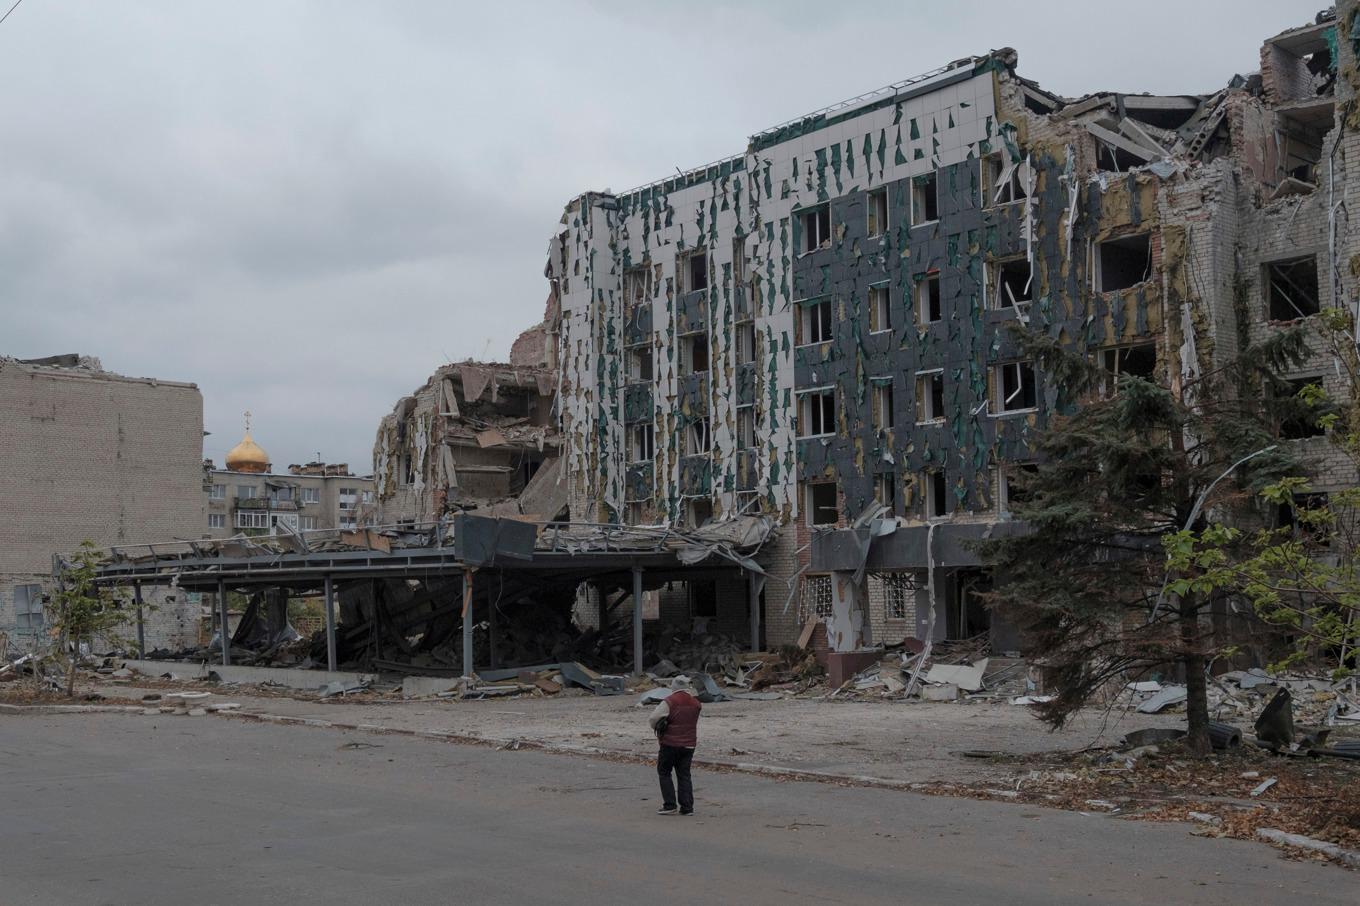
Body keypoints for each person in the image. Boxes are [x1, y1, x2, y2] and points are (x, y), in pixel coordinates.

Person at [648, 675, 702, 815]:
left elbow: (653, 718)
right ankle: (687, 807)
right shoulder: (696, 703)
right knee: (684, 775)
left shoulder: (670, 701)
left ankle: (670, 805)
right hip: (689, 744)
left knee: (664, 772)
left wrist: (659, 726)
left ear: (674, 687)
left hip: (669, 743)